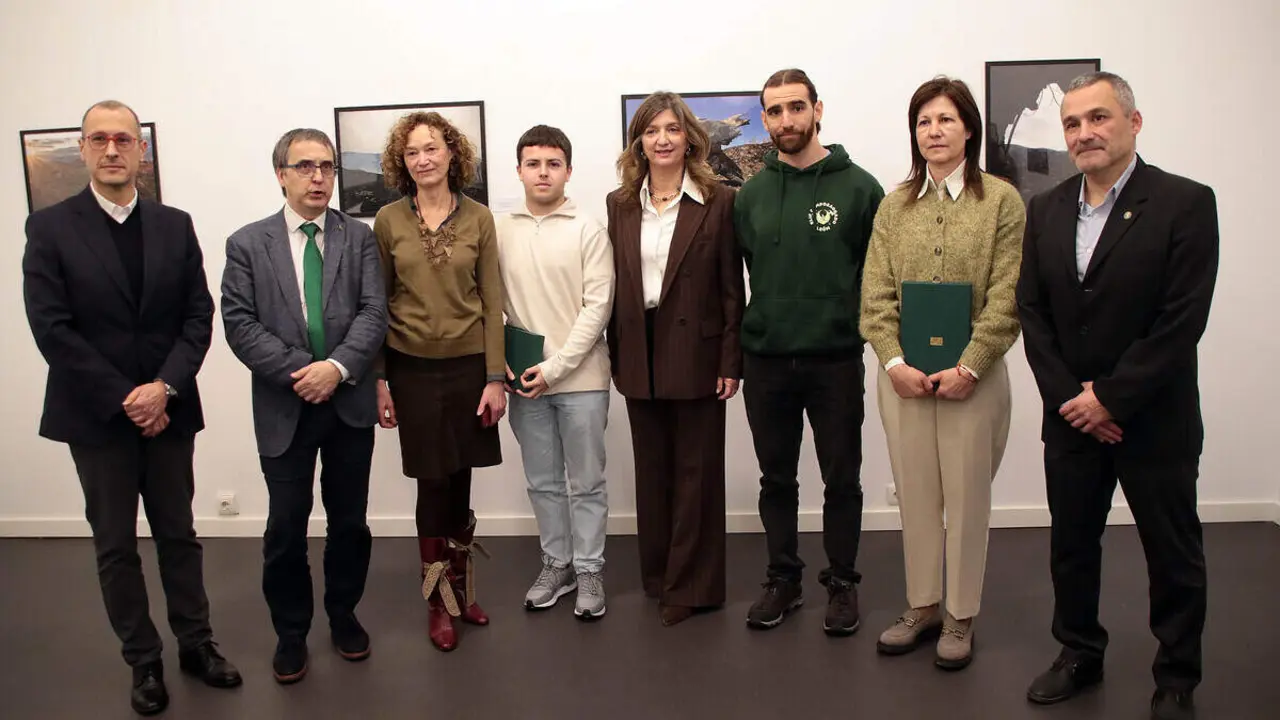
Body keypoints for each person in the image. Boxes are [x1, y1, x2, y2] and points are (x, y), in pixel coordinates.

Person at [21, 100, 241, 716]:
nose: (113, 149)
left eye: (124, 139)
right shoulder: (51, 228)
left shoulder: (175, 224)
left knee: (179, 534)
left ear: (141, 150)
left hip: (169, 410)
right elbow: (52, 328)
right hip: (95, 416)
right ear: (84, 150)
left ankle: (196, 644)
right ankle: (143, 660)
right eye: (99, 139)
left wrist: (162, 388)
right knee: (115, 543)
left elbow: (198, 316)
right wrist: (128, 396)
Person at [1016, 71, 1218, 720]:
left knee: (1172, 551)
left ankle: (1177, 676)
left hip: (1154, 419)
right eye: (1072, 123)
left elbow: (1181, 319)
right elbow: (1034, 311)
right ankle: (1078, 652)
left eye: (1098, 118)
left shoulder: (1186, 203)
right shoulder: (1045, 208)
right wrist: (1071, 400)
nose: (1083, 133)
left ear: (1133, 123)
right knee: (1072, 546)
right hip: (1071, 418)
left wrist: (1111, 398)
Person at [859, 76, 1025, 669]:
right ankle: (921, 606)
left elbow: (1007, 296)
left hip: (971, 382)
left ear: (969, 129)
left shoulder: (1002, 201)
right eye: (924, 121)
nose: (934, 131)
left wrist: (970, 366)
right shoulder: (893, 206)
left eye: (946, 120)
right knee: (918, 497)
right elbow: (874, 296)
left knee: (967, 498)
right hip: (902, 378)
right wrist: (895, 362)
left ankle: (960, 615)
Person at [220, 128, 387, 683]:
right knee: (285, 528)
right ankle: (290, 633)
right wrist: (303, 372)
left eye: (328, 166)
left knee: (350, 523)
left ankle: (343, 616)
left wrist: (335, 369)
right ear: (282, 175)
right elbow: (239, 325)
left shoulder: (358, 237)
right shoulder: (247, 243)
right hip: (285, 407)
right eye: (306, 166)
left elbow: (373, 312)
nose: (319, 177)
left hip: (347, 404)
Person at [735, 69, 884, 635]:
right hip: (767, 359)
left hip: (835, 360)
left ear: (817, 109)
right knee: (777, 480)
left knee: (842, 479)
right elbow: (740, 276)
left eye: (795, 108)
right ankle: (784, 580)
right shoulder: (749, 194)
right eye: (773, 111)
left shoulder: (860, 188)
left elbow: (879, 277)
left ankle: (842, 584)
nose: (785, 121)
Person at [605, 91, 744, 626]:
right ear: (638, 140)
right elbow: (617, 285)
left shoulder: (719, 200)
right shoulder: (619, 203)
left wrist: (730, 362)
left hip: (701, 351)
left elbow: (733, 288)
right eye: (651, 130)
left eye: (672, 129)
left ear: (690, 137)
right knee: (654, 471)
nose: (662, 139)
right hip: (640, 348)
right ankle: (660, 576)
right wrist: (618, 355)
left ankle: (694, 586)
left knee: (697, 472)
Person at [373, 111, 505, 652]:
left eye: (432, 148)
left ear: (452, 153)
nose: (423, 159)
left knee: (462, 483)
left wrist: (496, 377)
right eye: (412, 153)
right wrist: (380, 379)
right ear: (401, 163)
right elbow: (376, 304)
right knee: (432, 484)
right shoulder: (387, 221)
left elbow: (493, 300)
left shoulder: (479, 218)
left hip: (470, 368)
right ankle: (437, 604)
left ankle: (462, 590)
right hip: (411, 370)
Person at [497, 125, 615, 619]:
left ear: (568, 170)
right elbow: (491, 304)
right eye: (533, 163)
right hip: (525, 382)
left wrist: (556, 368)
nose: (542, 172)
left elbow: (598, 306)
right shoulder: (499, 228)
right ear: (519, 170)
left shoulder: (588, 228)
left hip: (581, 379)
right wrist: (497, 359)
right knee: (543, 481)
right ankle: (557, 564)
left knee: (586, 482)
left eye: (552, 164)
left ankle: (589, 569)